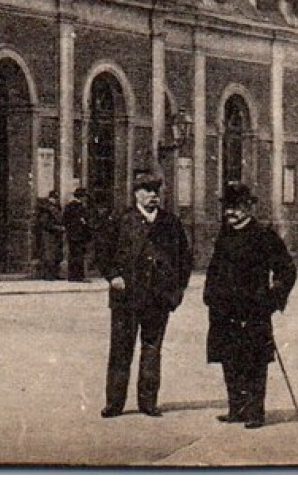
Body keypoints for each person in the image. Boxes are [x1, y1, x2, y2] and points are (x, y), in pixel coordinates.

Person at [99, 171, 192, 418]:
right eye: (147, 191)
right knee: (121, 350)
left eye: (156, 191)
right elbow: (103, 251)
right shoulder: (121, 219)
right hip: (126, 298)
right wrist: (113, 276)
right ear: (136, 194)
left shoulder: (170, 222)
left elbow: (184, 258)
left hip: (157, 299)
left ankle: (148, 403)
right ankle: (115, 403)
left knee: (152, 350)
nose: (153, 196)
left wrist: (178, 290)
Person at [204, 181, 297, 429]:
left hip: (253, 310)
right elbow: (215, 268)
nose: (229, 213)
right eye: (227, 208)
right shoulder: (226, 233)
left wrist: (272, 299)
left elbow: (286, 270)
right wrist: (210, 295)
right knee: (229, 359)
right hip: (224, 310)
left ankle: (255, 412)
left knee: (254, 361)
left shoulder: (263, 235)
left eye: (235, 208)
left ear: (248, 208)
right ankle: (237, 408)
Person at [63, 187, 92, 282]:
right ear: (82, 197)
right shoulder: (80, 207)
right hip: (79, 235)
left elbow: (64, 221)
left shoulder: (68, 207)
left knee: (72, 255)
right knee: (79, 256)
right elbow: (85, 221)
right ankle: (79, 276)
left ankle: (72, 276)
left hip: (71, 234)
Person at [34, 191, 64, 280]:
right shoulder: (46, 209)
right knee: (49, 255)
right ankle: (48, 275)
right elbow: (45, 224)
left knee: (57, 255)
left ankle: (55, 274)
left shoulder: (55, 208)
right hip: (49, 235)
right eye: (54, 198)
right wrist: (58, 228)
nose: (55, 200)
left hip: (55, 235)